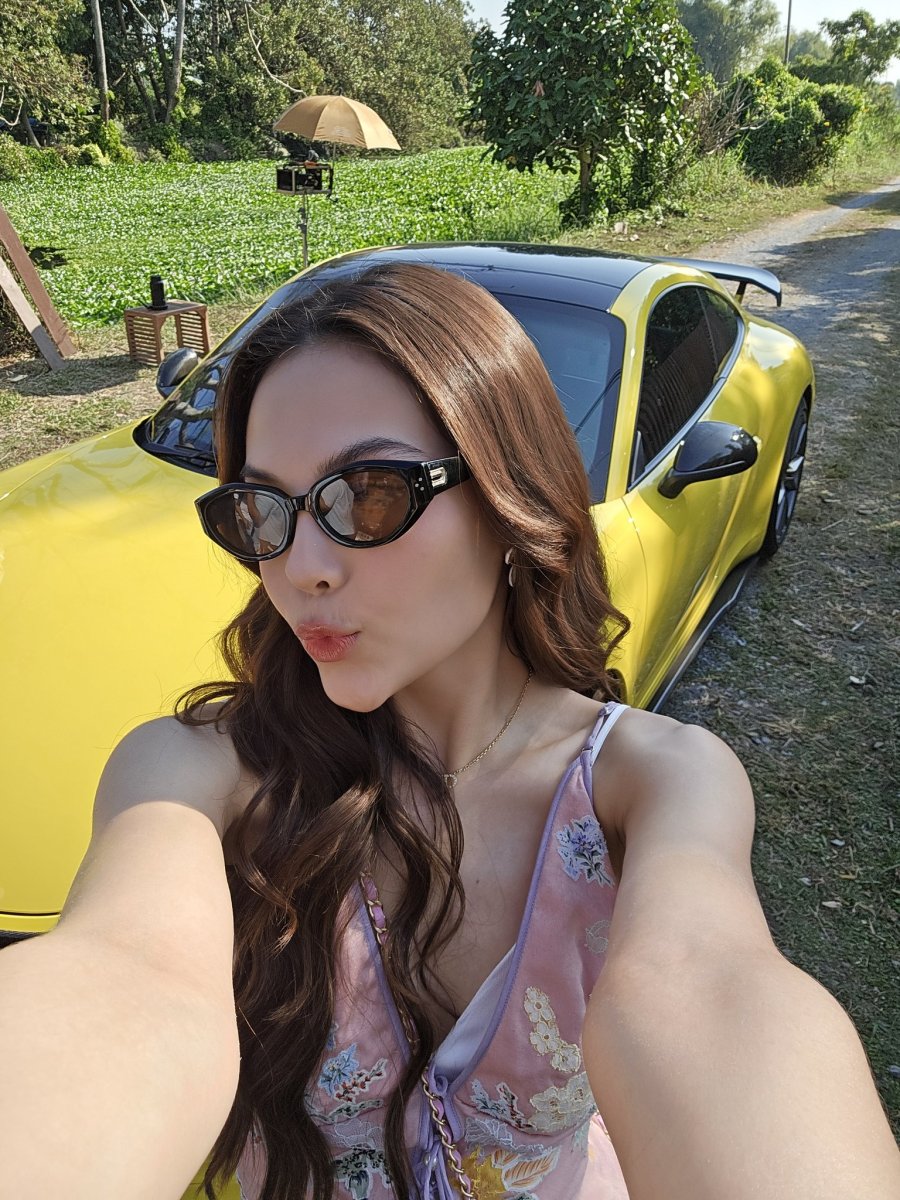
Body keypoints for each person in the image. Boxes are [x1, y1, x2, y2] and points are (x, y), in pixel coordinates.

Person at [1, 263, 897, 1200]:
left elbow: (708, 990)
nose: (301, 568)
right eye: (262, 511)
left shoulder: (654, 785)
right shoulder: (199, 776)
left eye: (370, 494)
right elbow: (123, 976)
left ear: (510, 500)